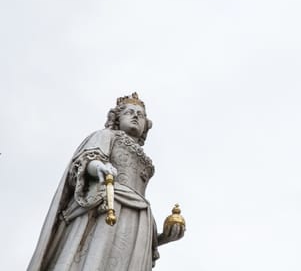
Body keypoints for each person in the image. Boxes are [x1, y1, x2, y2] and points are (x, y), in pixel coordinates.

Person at [28, 93, 184, 271]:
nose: (135, 116)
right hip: (106, 202)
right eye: (130, 112)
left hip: (140, 217)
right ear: (117, 118)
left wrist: (165, 237)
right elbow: (85, 162)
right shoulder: (106, 135)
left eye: (140, 115)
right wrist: (98, 167)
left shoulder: (145, 161)